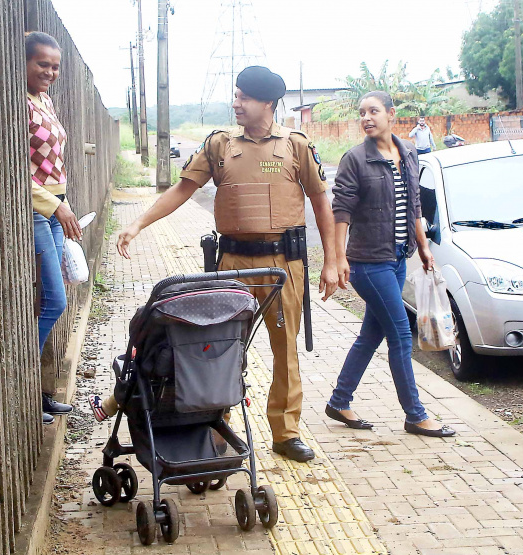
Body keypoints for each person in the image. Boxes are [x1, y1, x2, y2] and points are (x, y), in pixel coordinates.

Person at [110, 66, 339, 462]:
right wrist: (137, 224)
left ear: (267, 103)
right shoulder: (219, 145)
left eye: (244, 97)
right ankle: (216, 426)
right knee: (216, 346)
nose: (236, 103)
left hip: (282, 265)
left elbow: (322, 204)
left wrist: (333, 261)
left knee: (285, 348)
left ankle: (285, 433)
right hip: (231, 262)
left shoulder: (296, 145)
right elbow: (182, 189)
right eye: (235, 96)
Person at [326, 91, 455, 438]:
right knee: (400, 334)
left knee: (372, 333)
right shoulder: (354, 159)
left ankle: (339, 400)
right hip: (368, 263)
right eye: (362, 113)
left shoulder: (409, 152)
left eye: (374, 111)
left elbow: (415, 204)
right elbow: (342, 212)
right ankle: (415, 415)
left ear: (391, 114)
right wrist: (338, 259)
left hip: (398, 258)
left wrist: (423, 248)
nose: (367, 118)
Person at [26, 31, 79, 424]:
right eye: (42, 63)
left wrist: (64, 203)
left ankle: (42, 394)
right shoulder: (18, 104)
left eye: (55, 66)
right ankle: (28, 391)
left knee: (53, 297)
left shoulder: (43, 99)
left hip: (55, 207)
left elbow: (53, 164)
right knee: (55, 301)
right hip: (37, 210)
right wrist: (53, 206)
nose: (49, 72)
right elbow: (17, 171)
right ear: (24, 62)